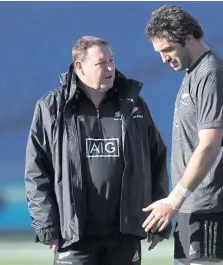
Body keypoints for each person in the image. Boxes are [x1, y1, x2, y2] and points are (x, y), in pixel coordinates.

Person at [24, 35, 171, 265]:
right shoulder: (52, 107)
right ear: (79, 66)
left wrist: (157, 220)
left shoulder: (133, 106)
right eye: (102, 63)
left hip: (124, 236)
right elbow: (37, 171)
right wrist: (46, 224)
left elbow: (157, 160)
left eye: (112, 60)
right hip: (74, 236)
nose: (110, 68)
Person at [142, 5, 223, 265]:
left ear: (189, 36)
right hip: (192, 203)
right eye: (159, 52)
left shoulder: (211, 74)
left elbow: (209, 145)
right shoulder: (194, 74)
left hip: (209, 203)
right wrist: (175, 204)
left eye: (167, 49)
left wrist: (174, 199)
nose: (163, 59)